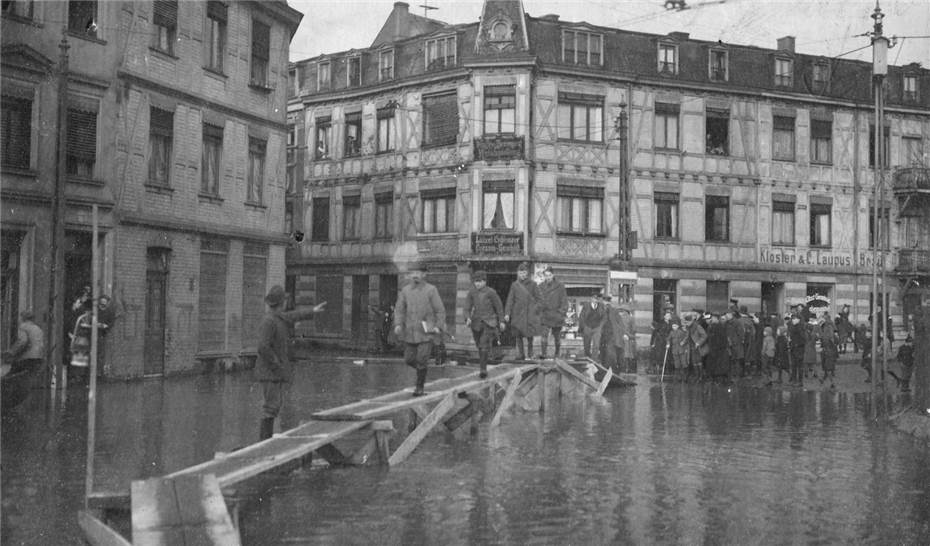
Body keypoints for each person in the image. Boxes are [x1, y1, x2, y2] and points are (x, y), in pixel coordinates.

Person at [256, 285, 327, 440]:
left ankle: (265, 441)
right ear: (282, 303)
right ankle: (262, 444)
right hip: (270, 373)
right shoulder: (269, 321)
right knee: (270, 407)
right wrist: (276, 365)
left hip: (274, 372)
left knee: (273, 406)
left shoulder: (278, 317)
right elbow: (262, 347)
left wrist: (312, 311)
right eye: (285, 301)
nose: (287, 303)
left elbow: (294, 315)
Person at [394, 263, 446, 397]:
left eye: (418, 273)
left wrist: (437, 326)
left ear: (424, 274)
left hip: (426, 332)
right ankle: (422, 372)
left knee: (422, 358)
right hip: (410, 332)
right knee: (409, 359)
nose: (415, 275)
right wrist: (398, 324)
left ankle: (419, 387)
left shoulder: (431, 290)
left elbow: (440, 310)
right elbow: (399, 309)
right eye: (413, 273)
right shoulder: (405, 291)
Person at [464, 270, 505, 378]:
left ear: (484, 281)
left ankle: (483, 370)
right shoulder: (472, 292)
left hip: (489, 322)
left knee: (483, 345)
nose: (477, 283)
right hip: (476, 323)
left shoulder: (491, 292)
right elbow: (467, 307)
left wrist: (501, 321)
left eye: (480, 281)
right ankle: (485, 361)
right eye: (475, 281)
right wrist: (467, 318)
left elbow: (499, 307)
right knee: (479, 345)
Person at [504, 262, 540, 361]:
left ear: (527, 273)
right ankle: (521, 354)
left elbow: (539, 299)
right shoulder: (514, 285)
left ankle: (530, 353)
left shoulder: (533, 284)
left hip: (529, 314)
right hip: (518, 314)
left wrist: (535, 310)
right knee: (518, 335)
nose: (523, 275)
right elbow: (510, 300)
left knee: (529, 336)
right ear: (518, 273)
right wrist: (507, 313)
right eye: (521, 273)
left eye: (524, 273)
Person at [2, 310, 45, 390]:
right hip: (38, 358)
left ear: (23, 318)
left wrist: (11, 352)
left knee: (11, 373)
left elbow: (23, 341)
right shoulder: (38, 329)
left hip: (27, 358)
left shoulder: (23, 327)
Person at [537, 267, 567, 359]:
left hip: (556, 315)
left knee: (557, 337)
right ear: (544, 276)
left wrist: (561, 313)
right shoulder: (540, 286)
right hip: (545, 315)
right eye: (546, 275)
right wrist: (539, 310)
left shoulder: (560, 286)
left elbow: (564, 301)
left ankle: (557, 353)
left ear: (553, 275)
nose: (548, 277)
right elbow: (537, 300)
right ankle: (544, 354)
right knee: (544, 336)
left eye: (549, 275)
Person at [578, 291, 608, 362]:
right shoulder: (586, 306)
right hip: (587, 327)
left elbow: (604, 317)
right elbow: (581, 317)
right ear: (591, 299)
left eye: (597, 299)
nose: (596, 300)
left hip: (597, 328)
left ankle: (594, 360)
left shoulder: (601, 306)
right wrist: (584, 327)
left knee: (596, 345)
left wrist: (600, 327)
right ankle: (587, 358)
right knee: (586, 345)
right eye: (594, 298)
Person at [788, 315, 807, 386]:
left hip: (799, 349)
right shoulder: (793, 327)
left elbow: (804, 338)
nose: (793, 320)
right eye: (792, 319)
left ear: (798, 319)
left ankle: (800, 381)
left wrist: (797, 344)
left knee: (799, 366)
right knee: (793, 365)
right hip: (793, 348)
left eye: (794, 319)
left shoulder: (801, 327)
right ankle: (794, 380)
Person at [820, 315, 838, 389]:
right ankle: (823, 379)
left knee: (827, 368)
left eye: (823, 319)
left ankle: (832, 383)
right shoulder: (827, 326)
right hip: (827, 350)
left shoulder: (828, 327)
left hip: (828, 351)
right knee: (826, 367)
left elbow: (828, 339)